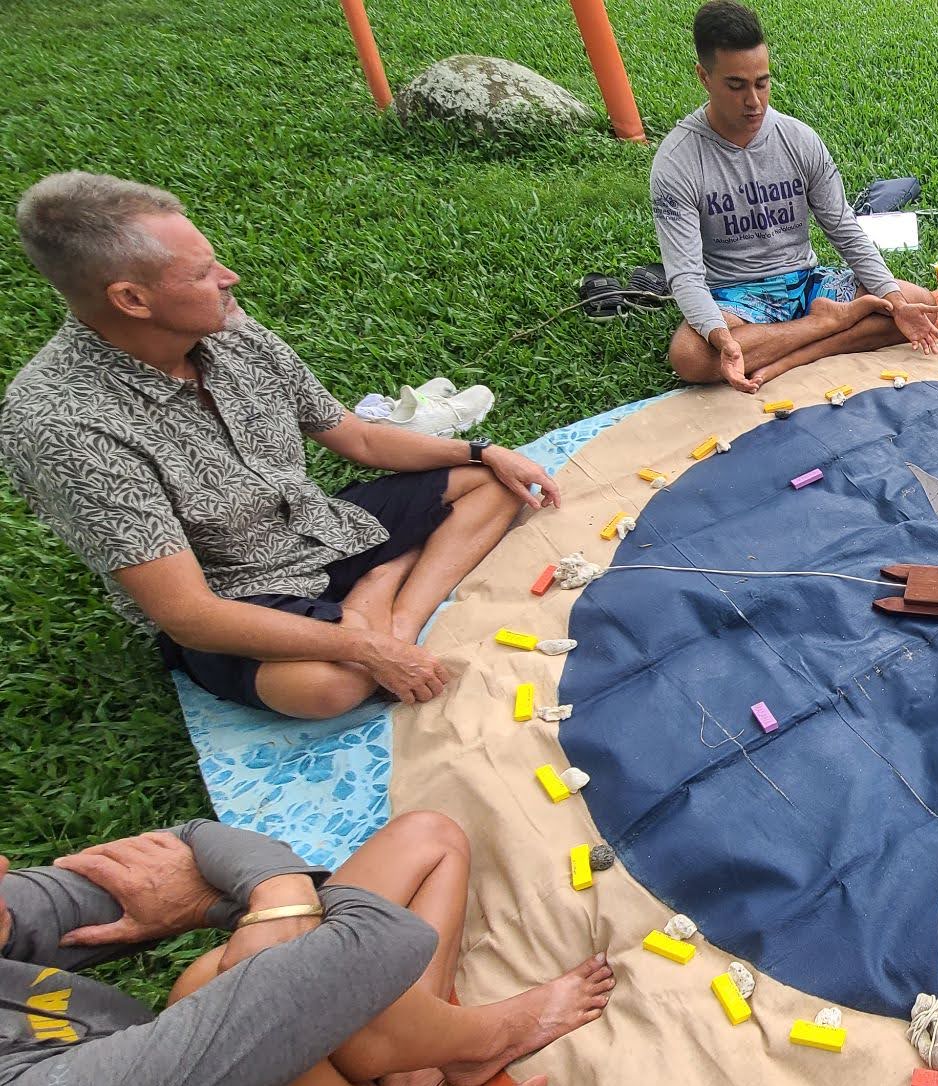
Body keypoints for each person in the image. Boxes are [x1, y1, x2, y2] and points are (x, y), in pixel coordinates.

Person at [1, 172, 560, 720]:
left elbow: (357, 435)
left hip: (319, 528)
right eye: (202, 273)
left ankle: (390, 608)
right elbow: (190, 614)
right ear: (131, 299)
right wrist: (360, 651)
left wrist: (480, 451)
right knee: (326, 687)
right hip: (236, 592)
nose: (230, 278)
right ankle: (373, 616)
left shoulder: (229, 330)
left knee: (496, 484)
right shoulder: (63, 426)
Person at [0, 811, 614, 1086]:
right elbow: (363, 951)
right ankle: (485, 1040)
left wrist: (271, 896)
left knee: (428, 840)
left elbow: (189, 843)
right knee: (235, 978)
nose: (5, 866)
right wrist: (272, 902)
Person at [656, 0, 938, 393]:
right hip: (738, 301)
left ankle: (800, 349)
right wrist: (723, 340)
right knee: (690, 354)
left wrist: (895, 299)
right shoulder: (677, 161)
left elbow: (843, 227)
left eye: (762, 82)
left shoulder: (798, 139)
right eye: (736, 85)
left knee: (916, 300)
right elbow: (686, 276)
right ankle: (828, 326)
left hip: (806, 283)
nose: (754, 102)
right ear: (704, 77)